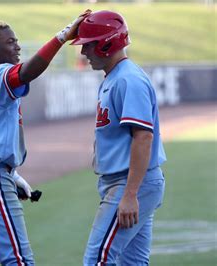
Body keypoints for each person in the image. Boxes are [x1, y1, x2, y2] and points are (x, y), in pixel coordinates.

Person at [0, 10, 91, 265]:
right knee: (19, 260)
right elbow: (26, 73)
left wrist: (11, 174)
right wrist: (61, 37)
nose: (17, 46)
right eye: (10, 42)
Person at [70, 10, 166, 265]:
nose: (83, 53)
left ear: (106, 43)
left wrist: (130, 193)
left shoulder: (128, 79)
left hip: (131, 181)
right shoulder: (116, 76)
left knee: (98, 259)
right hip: (129, 181)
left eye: (88, 45)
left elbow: (143, 137)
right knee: (132, 262)